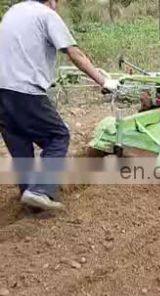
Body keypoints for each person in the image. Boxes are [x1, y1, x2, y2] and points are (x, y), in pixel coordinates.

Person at [0, 0, 118, 210]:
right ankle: (40, 190)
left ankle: (31, 198)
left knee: (20, 141)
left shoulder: (13, 12)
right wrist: (104, 81)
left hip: (2, 92)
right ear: (52, 1)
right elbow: (74, 54)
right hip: (26, 91)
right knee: (58, 136)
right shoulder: (46, 14)